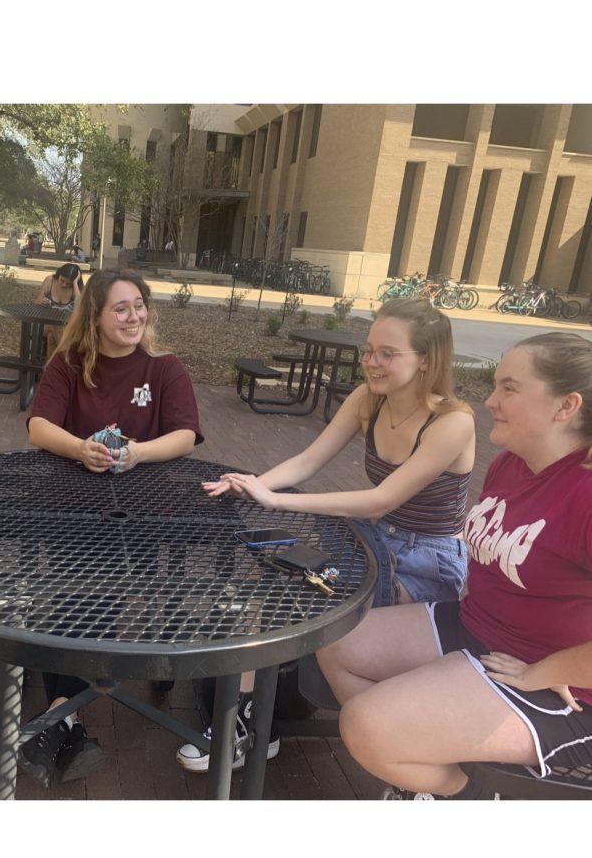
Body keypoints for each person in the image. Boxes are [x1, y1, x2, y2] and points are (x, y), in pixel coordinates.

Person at [178, 298, 475, 773]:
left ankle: (397, 747)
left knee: (312, 597)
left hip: (426, 561)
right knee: (277, 584)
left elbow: (381, 500)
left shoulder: (453, 422)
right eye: (368, 350)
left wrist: (278, 500)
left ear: (426, 360)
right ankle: (256, 722)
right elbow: (309, 461)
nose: (371, 362)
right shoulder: (368, 399)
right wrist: (255, 483)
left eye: (387, 353)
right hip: (372, 540)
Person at [318, 330, 592, 799]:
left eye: (509, 388)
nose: (489, 401)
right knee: (333, 639)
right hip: (479, 629)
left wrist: (542, 673)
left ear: (565, 407)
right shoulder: (510, 464)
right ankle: (416, 767)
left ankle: (464, 797)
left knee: (365, 726)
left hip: (556, 682)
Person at [22, 268, 204, 785]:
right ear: (96, 316)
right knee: (73, 591)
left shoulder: (165, 368)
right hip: (74, 503)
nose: (134, 316)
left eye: (140, 305)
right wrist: (81, 448)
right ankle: (69, 714)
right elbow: (39, 427)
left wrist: (137, 454)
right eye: (121, 308)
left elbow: (186, 435)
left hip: (146, 509)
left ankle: (59, 717)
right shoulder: (69, 363)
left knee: (98, 593)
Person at [36, 263, 84, 355]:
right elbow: (38, 300)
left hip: (67, 327)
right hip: (47, 324)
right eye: (62, 280)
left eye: (68, 283)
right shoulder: (50, 281)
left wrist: (75, 284)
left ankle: (50, 366)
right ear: (58, 274)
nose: (64, 285)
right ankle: (64, 357)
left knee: (51, 338)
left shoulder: (76, 288)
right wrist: (41, 301)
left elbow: (80, 307)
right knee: (55, 327)